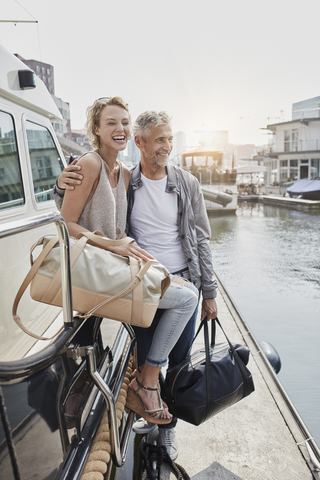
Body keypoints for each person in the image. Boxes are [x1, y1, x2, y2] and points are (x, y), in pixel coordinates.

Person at [54, 109, 218, 459]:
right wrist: (60, 183)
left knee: (179, 363)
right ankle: (147, 404)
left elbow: (202, 240)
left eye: (170, 139)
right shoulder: (128, 179)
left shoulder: (186, 183)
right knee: (146, 357)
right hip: (144, 282)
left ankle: (166, 434)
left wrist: (209, 293)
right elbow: (79, 212)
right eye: (160, 140)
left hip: (182, 278)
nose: (166, 147)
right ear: (140, 143)